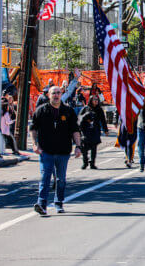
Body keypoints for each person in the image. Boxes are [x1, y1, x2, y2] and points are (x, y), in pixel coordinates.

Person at [30, 86, 82, 215]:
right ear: (48, 95)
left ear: (61, 94)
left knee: (61, 179)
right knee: (45, 177)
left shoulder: (68, 111)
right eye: (54, 93)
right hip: (46, 151)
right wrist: (34, 144)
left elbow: (75, 130)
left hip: (63, 151)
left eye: (58, 93)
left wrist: (78, 146)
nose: (56, 95)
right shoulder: (41, 110)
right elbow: (33, 128)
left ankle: (59, 203)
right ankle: (42, 204)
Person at [77, 95, 109, 169]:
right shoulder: (85, 108)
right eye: (94, 100)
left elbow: (103, 120)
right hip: (86, 131)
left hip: (95, 130)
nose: (96, 101)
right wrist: (85, 118)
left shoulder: (99, 109)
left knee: (94, 147)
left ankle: (92, 163)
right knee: (84, 147)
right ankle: (85, 162)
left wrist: (105, 130)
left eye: (97, 100)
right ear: (91, 100)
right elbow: (79, 118)